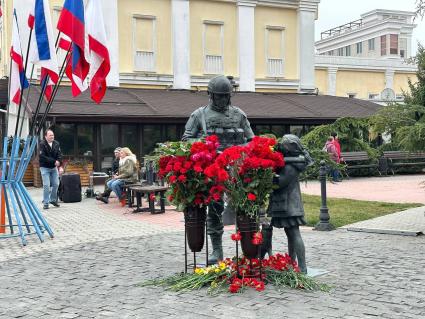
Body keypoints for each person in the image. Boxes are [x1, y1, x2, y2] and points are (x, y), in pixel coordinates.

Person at [182, 75, 255, 263]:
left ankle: (249, 248)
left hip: (237, 171)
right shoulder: (199, 115)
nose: (223, 100)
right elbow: (186, 139)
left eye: (226, 96)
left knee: (245, 209)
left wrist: (239, 150)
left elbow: (252, 140)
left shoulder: (239, 114)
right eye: (219, 96)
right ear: (210, 95)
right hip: (212, 171)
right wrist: (204, 144)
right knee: (214, 210)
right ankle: (217, 250)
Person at [267, 134, 314, 274]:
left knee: (294, 233)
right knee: (291, 233)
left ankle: (302, 266)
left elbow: (280, 183)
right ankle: (292, 262)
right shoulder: (290, 163)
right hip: (286, 203)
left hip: (289, 205)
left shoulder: (291, 166)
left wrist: (267, 177)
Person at [39, 129, 62, 209]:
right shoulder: (42, 144)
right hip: (44, 167)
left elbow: (59, 155)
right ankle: (46, 203)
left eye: (53, 135)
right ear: (46, 136)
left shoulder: (56, 143)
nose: (52, 136)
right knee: (46, 185)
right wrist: (54, 161)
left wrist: (59, 162)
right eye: (50, 135)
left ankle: (52, 200)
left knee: (56, 184)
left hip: (53, 168)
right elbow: (43, 157)